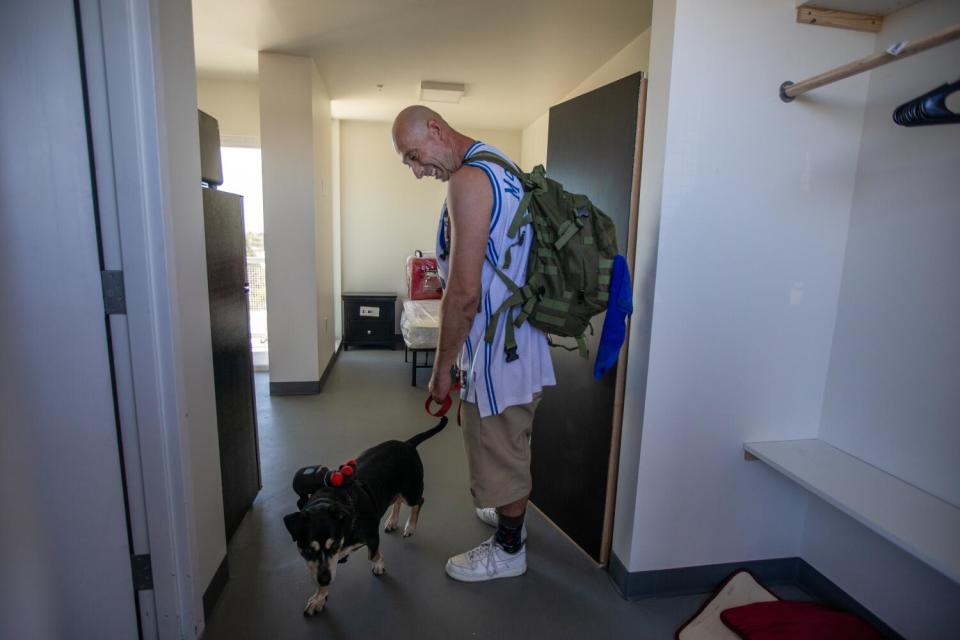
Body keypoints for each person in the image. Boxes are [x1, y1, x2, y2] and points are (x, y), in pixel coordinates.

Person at [392, 106, 555, 581]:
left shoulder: (467, 182)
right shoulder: (501, 165)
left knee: (500, 449)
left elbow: (462, 292)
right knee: (509, 443)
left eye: (415, 156)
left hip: (499, 349)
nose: (419, 171)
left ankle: (509, 549)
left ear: (437, 130)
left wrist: (442, 370)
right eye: (410, 163)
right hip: (520, 338)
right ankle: (508, 514)